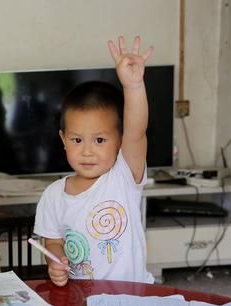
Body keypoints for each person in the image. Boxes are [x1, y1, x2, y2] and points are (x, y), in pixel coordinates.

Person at [34, 36, 155, 286]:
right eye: (77, 140)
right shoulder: (54, 195)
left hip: (132, 298)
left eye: (99, 140)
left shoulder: (123, 175)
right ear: (63, 139)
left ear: (119, 140)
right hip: (82, 300)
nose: (87, 152)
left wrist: (133, 86)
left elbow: (136, 131)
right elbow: (53, 242)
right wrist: (55, 261)